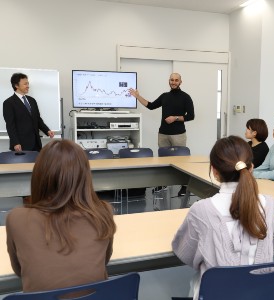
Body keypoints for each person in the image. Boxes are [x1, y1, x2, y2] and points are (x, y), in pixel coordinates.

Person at [172, 136, 274, 300]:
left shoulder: (202, 210)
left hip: (217, 294)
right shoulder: (270, 205)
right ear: (251, 168)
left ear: (214, 171)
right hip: (262, 292)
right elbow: (273, 245)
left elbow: (185, 253)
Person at [6, 140, 116, 292]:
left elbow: (20, 270)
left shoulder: (16, 219)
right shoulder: (103, 213)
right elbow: (104, 261)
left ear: (39, 175)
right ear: (84, 176)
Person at [129, 72, 195, 196]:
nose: (173, 82)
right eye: (171, 80)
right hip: (163, 134)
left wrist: (175, 118)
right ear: (169, 81)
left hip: (178, 134)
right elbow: (151, 106)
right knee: (163, 161)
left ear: (180, 82)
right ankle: (163, 183)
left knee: (182, 161)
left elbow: (191, 116)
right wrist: (137, 96)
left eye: (176, 80)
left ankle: (184, 186)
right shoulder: (165, 96)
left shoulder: (186, 97)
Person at [3, 73, 54, 151]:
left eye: (28, 83)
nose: (28, 86)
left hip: (36, 144)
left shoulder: (32, 100)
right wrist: (15, 142)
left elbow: (37, 119)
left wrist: (47, 130)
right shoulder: (8, 103)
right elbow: (10, 125)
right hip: (21, 145)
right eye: (25, 84)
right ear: (16, 85)